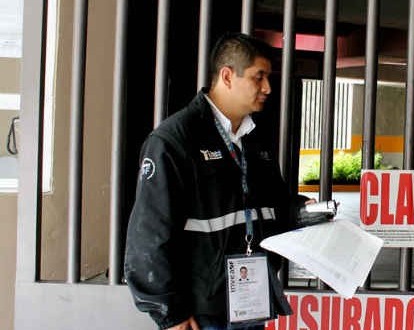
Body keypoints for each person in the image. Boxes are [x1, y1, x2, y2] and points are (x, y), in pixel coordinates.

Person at [125, 33, 312, 330]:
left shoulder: (254, 138)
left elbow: (272, 204)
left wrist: (305, 210)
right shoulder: (174, 140)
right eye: (259, 77)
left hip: (249, 301)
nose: (267, 87)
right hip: (201, 311)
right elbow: (149, 234)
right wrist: (170, 313)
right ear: (227, 76)